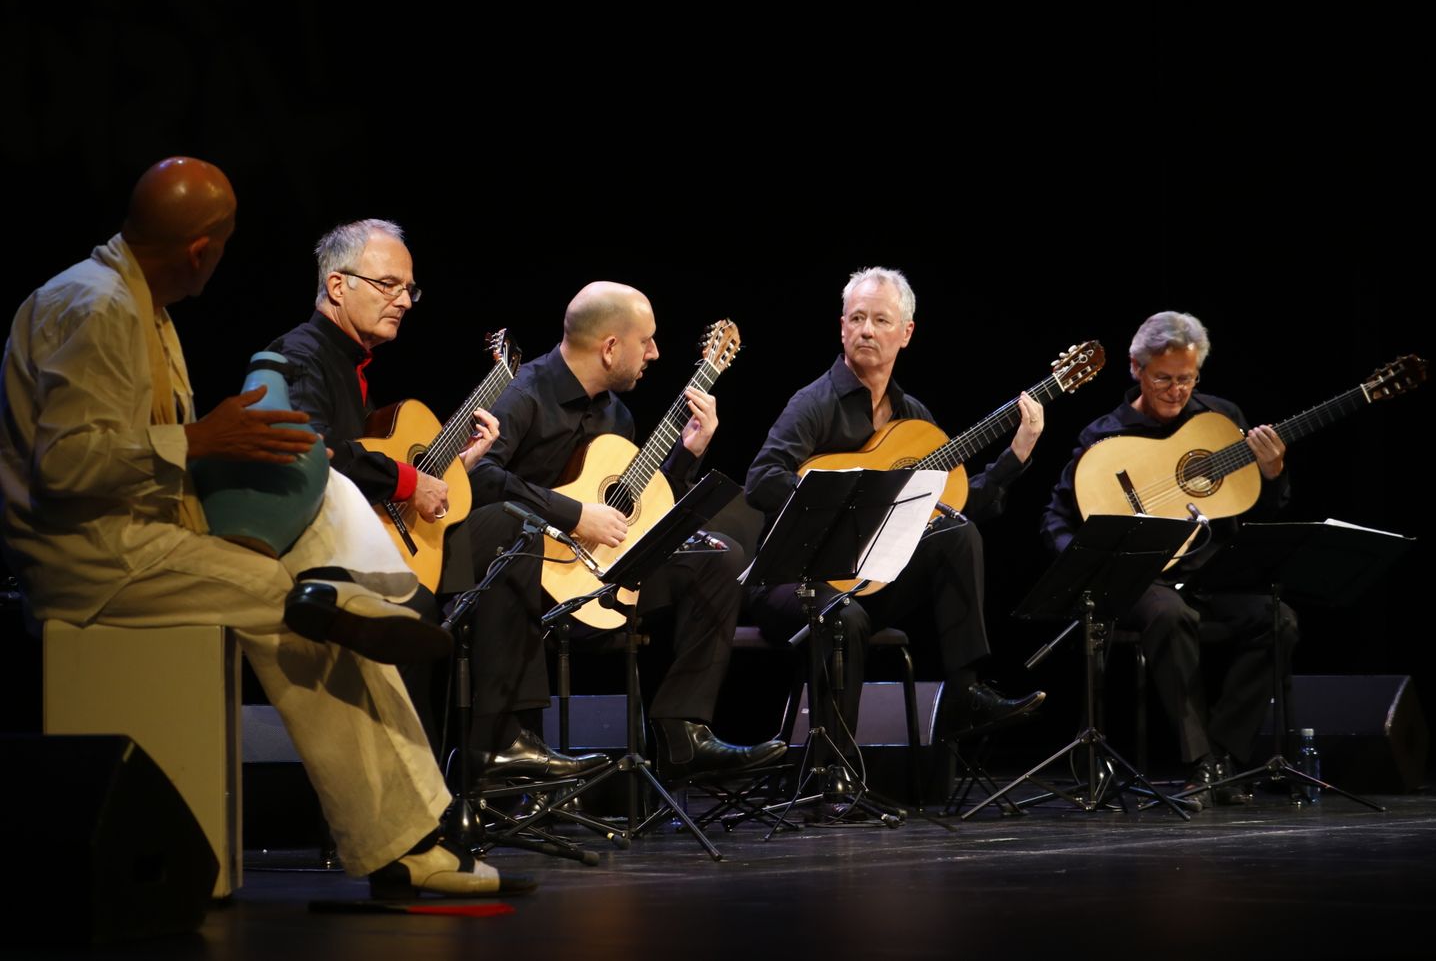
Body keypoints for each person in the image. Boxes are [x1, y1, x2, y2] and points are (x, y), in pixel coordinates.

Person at [0, 157, 529, 896]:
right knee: (301, 615)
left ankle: (411, 813)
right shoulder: (94, 309)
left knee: (322, 596)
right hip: (93, 561)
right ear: (201, 248)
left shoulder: (136, 305)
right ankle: (401, 843)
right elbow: (67, 465)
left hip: (142, 540)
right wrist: (200, 441)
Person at [265, 220, 603, 781]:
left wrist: (455, 471)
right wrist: (405, 483)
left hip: (369, 539)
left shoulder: (350, 367)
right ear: (336, 284)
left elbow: (369, 459)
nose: (403, 301)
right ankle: (448, 767)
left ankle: (499, 740)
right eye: (389, 285)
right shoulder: (302, 354)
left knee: (508, 526)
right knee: (456, 574)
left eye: (410, 290)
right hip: (320, 560)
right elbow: (310, 450)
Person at [468, 281, 785, 780]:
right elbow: (477, 476)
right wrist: (571, 513)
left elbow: (639, 510)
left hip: (603, 583)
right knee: (517, 538)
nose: (655, 353)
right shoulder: (522, 395)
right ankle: (509, 740)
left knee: (719, 559)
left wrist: (687, 454)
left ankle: (684, 732)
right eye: (647, 341)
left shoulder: (618, 414)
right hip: (527, 584)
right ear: (611, 347)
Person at [744, 266, 1046, 736]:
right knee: (844, 617)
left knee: (956, 534)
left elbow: (959, 507)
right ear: (842, 326)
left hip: (867, 579)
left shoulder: (914, 421)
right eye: (857, 318)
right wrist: (849, 503)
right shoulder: (814, 403)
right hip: (790, 579)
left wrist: (1017, 453)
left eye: (881, 321)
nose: (866, 329)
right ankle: (835, 770)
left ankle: (966, 693)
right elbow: (761, 480)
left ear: (905, 333)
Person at [1040, 310, 1296, 806]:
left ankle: (1224, 755)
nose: (1176, 390)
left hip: (1213, 576)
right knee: (1169, 615)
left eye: (1186, 379)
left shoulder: (1220, 423)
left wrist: (1274, 472)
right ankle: (1199, 763)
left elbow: (1254, 500)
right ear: (1136, 369)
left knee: (1278, 620)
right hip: (1143, 582)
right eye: (1163, 379)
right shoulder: (1104, 435)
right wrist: (1084, 565)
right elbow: (1057, 514)